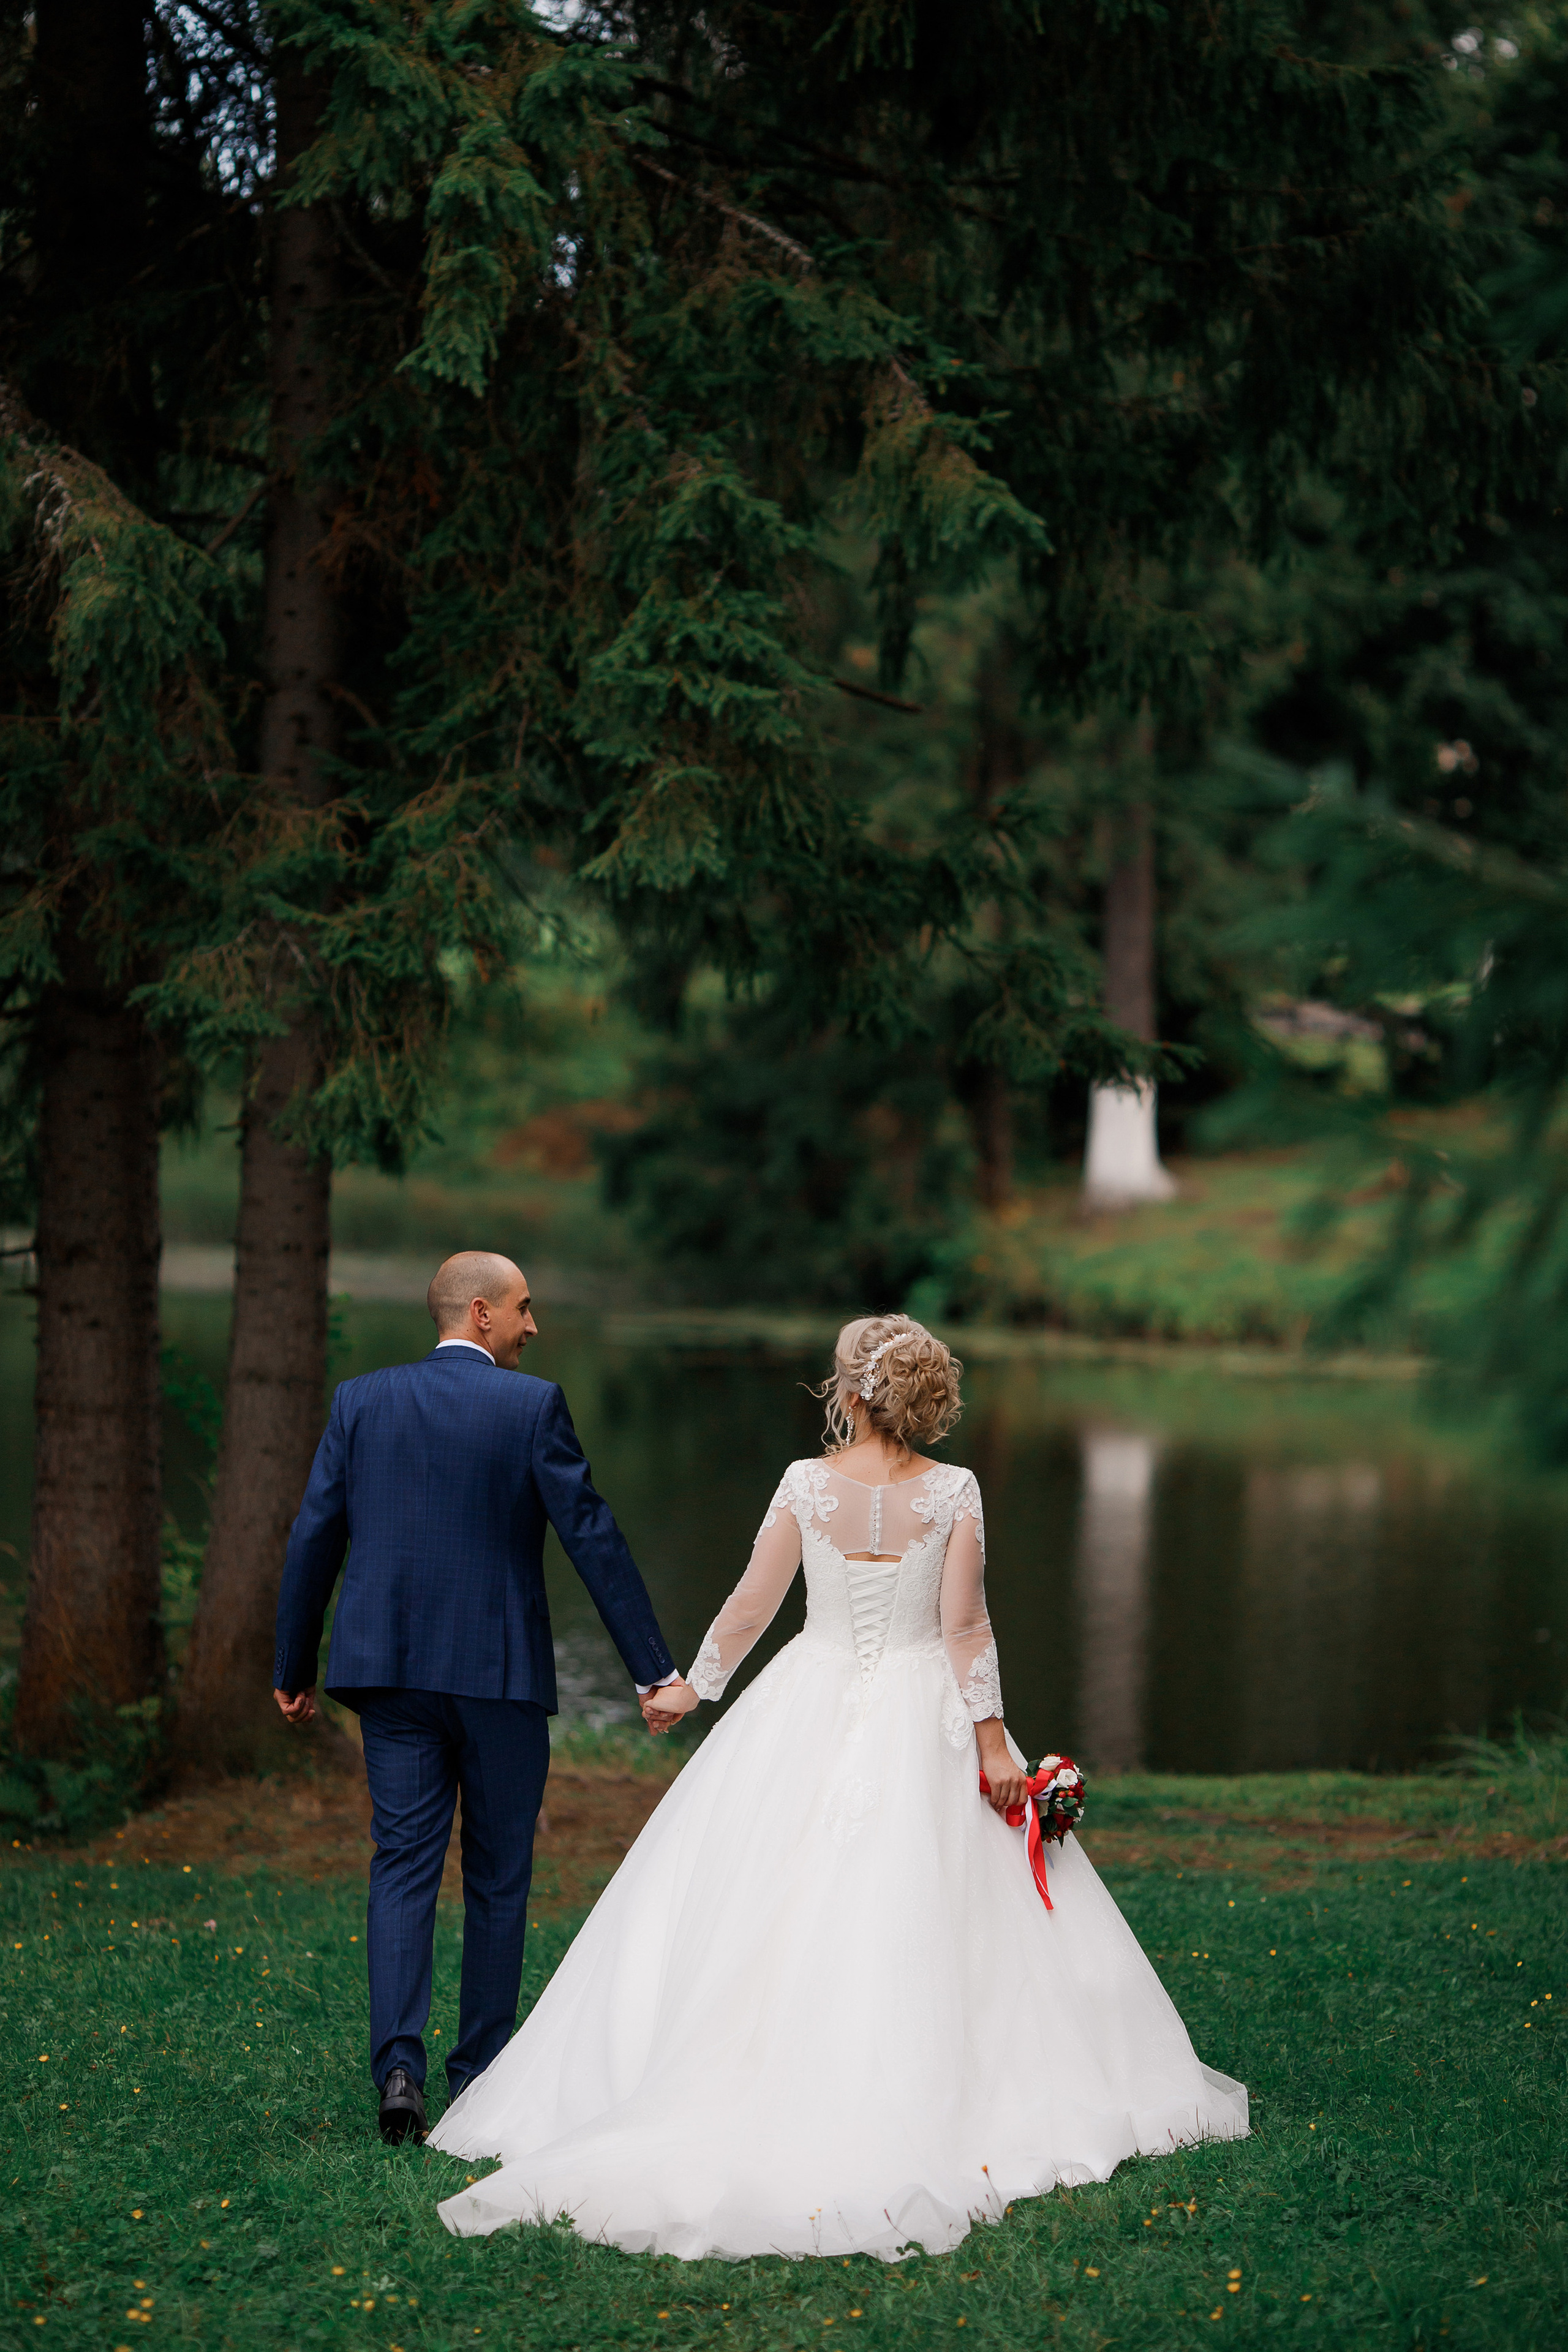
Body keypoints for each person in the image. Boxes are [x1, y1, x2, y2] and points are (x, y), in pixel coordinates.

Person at [427, 1313, 1247, 2261]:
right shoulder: (954, 1491)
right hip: (922, 1703)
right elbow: (967, 1628)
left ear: (849, 1393)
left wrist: (697, 1686)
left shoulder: (806, 1485)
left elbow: (753, 1601)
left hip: (804, 1694)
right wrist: (992, 1748)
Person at [271, 1251, 689, 2146]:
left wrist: (293, 1664)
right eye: (524, 1308)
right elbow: (593, 1537)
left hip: (388, 1670)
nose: (534, 1325)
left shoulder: (360, 1401)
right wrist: (652, 1669)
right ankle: (482, 2081)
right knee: (498, 1876)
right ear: (480, 1314)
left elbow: (315, 1534)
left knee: (403, 1865)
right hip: (496, 1675)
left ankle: (397, 2072)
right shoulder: (530, 1406)